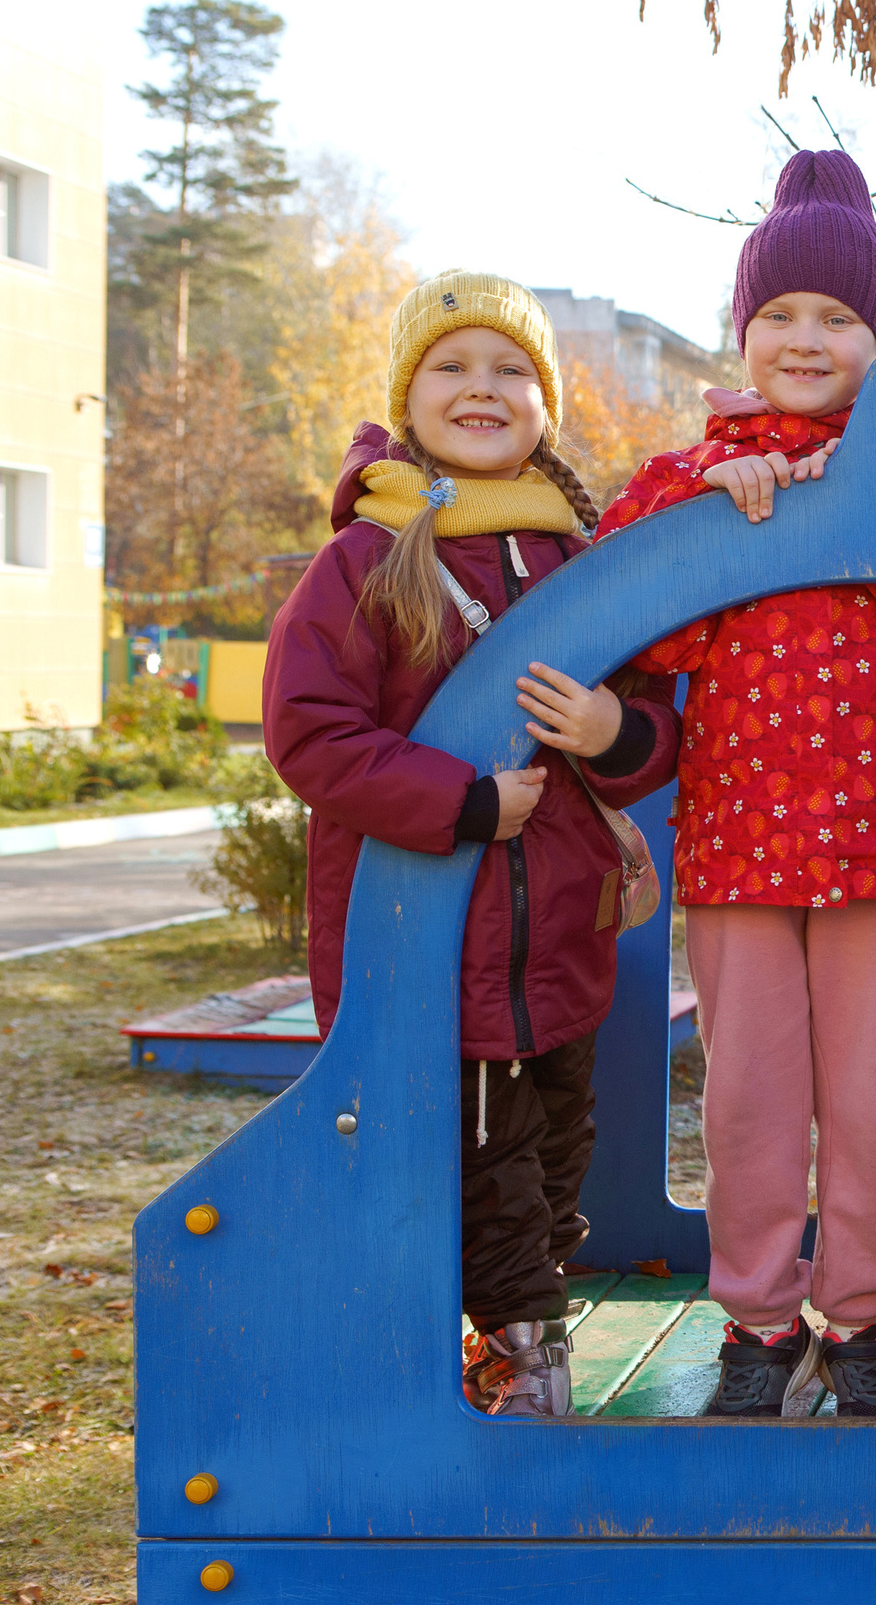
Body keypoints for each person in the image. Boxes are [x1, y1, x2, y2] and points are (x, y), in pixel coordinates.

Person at [591, 149, 876, 1421]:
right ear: (744, 331)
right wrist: (721, 525)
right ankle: (755, 1321)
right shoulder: (692, 477)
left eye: (837, 315)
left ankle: (861, 1321)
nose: (805, 336)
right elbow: (632, 629)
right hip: (740, 842)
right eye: (779, 313)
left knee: (866, 1102)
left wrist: (841, 528)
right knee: (746, 1098)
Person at [266, 271, 682, 1418]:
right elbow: (309, 730)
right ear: (409, 395)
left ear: (546, 404)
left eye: (511, 369)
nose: (482, 388)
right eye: (452, 365)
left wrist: (615, 731)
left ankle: (515, 1339)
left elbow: (653, 721)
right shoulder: (368, 558)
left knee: (553, 1157)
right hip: (430, 949)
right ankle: (522, 1370)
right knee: (481, 1165)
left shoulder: (582, 556)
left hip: (557, 938)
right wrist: (451, 798)